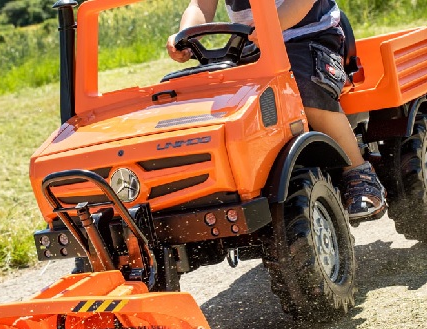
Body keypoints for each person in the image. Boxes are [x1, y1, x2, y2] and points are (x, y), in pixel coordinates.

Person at [165, 0, 387, 220]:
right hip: (253, 47)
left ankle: (358, 171)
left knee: (303, 88)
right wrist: (186, 35)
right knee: (217, 99)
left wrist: (273, 25)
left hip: (309, 36)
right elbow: (201, 6)